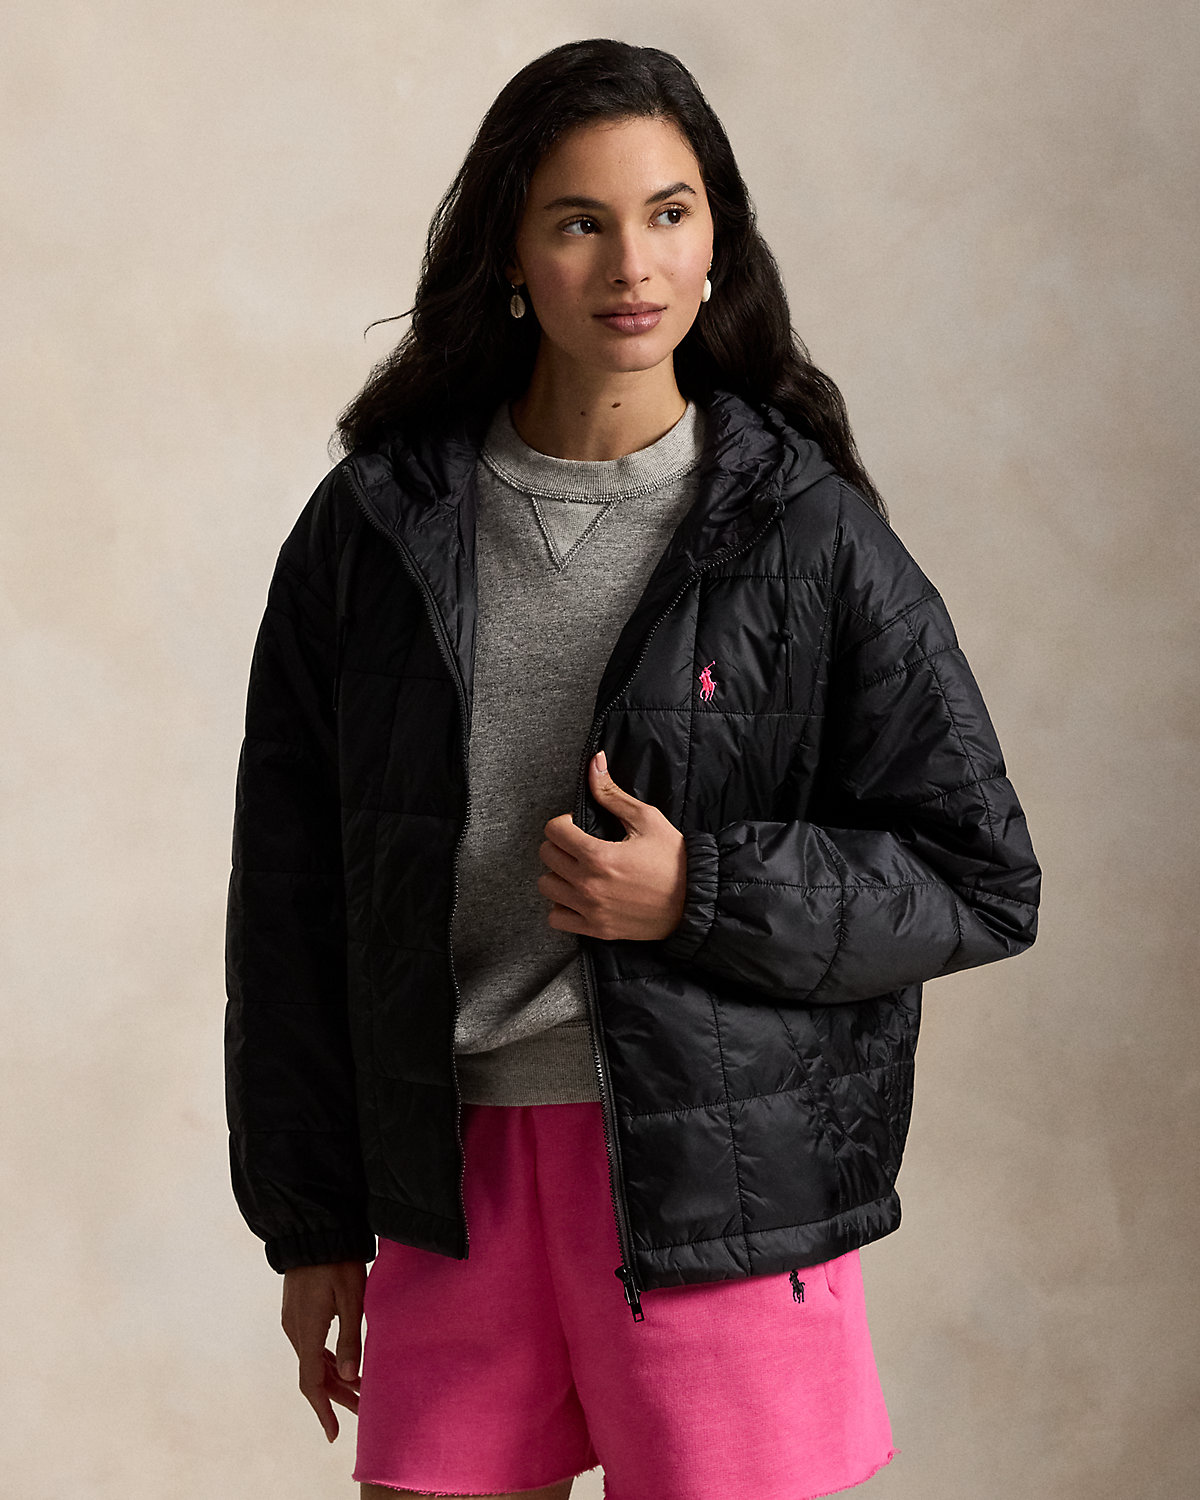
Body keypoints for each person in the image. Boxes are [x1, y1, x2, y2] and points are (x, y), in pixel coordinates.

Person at [224, 36, 1041, 1500]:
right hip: (452, 1184)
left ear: (719, 239)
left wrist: (700, 893)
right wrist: (313, 1221)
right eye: (579, 221)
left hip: (721, 1183)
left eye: (668, 213)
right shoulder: (375, 528)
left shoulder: (806, 531)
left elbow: (977, 874)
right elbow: (288, 900)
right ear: (509, 255)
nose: (632, 265)